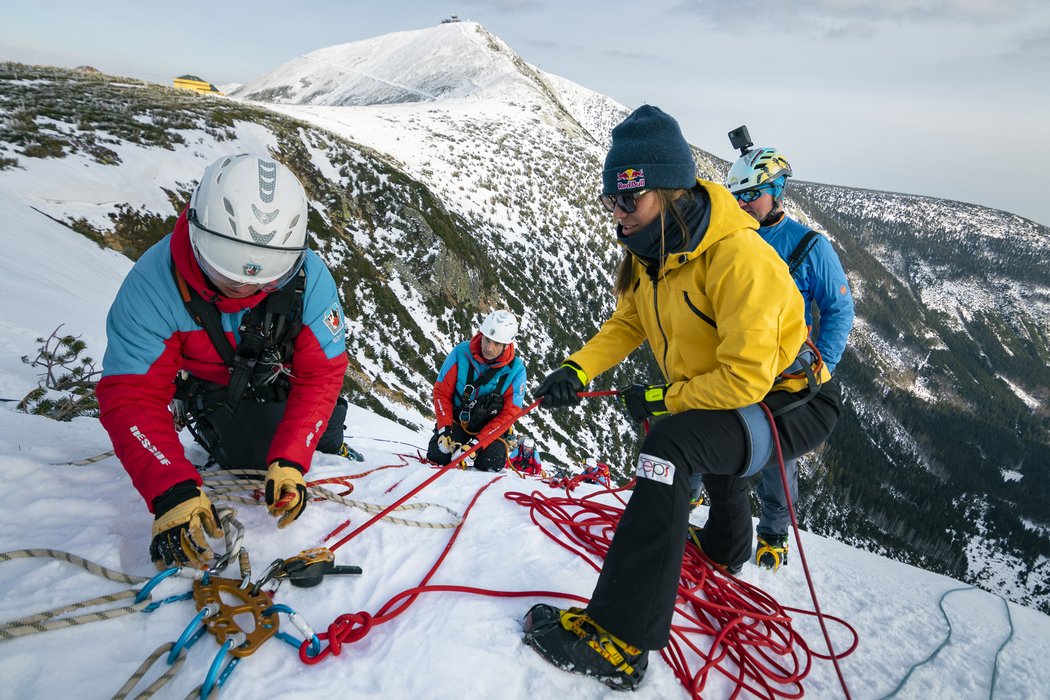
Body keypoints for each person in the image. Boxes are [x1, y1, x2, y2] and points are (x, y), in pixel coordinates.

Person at [521, 105, 841, 690]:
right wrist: (577, 367)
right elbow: (628, 324)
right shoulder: (655, 251)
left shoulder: (739, 259)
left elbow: (744, 381)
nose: (618, 216)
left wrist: (665, 399)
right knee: (695, 426)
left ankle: (621, 638)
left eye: (629, 201)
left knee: (672, 444)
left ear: (667, 192)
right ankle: (723, 549)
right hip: (746, 398)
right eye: (612, 201)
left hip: (790, 403)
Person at [98, 154, 350, 571]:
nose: (243, 286)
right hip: (215, 385)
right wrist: (171, 489)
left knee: (326, 430)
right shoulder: (154, 286)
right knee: (251, 456)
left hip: (273, 372)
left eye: (264, 277)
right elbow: (131, 393)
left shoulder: (310, 279)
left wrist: (292, 458)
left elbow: (322, 371)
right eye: (226, 270)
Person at [725, 140, 855, 570]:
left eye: (751, 194)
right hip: (737, 362)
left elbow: (837, 308)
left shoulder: (809, 246)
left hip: (787, 371)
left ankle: (774, 534)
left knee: (780, 455)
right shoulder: (731, 238)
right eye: (736, 195)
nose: (742, 204)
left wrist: (823, 366)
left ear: (777, 189)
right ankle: (708, 516)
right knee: (718, 436)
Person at [427, 310, 526, 471]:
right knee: (438, 455)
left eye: (496, 343)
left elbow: (509, 413)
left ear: (506, 345)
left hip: (489, 431)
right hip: (459, 422)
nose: (489, 347)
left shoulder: (516, 370)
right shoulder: (460, 353)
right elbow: (441, 392)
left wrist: (476, 446)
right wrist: (444, 429)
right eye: (487, 340)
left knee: (490, 462)